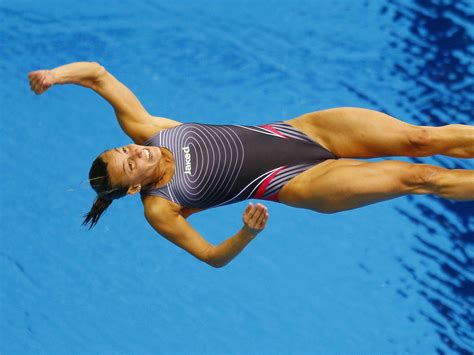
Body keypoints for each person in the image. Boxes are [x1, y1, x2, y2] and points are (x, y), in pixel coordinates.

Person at [28, 62, 474, 268]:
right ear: (131, 189)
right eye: (127, 166)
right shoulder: (160, 208)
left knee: (422, 138)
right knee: (422, 177)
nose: (132, 153)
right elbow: (211, 257)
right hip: (301, 182)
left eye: (121, 151)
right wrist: (246, 232)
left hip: (308, 131)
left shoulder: (150, 130)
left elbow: (98, 75)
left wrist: (53, 76)